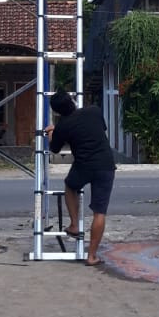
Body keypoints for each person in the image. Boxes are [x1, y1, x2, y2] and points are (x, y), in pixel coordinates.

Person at [44, 87, 116, 266]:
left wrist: (52, 133)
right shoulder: (94, 111)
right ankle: (91, 256)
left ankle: (74, 224)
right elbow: (100, 129)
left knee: (70, 186)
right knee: (100, 212)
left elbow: (54, 149)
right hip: (105, 165)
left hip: (84, 166)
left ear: (56, 111)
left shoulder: (62, 126)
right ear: (72, 101)